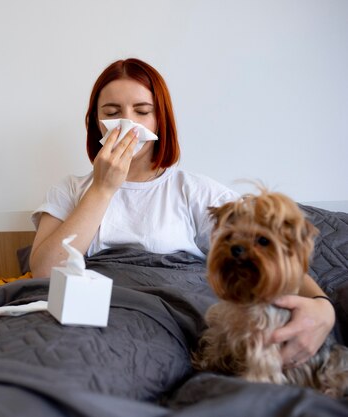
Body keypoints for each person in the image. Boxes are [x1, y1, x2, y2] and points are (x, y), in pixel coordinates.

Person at [29, 58, 335, 369]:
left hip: (165, 320)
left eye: (142, 111)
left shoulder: (194, 190)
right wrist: (102, 189)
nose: (126, 123)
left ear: (160, 120)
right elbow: (43, 273)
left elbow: (269, 254)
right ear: (95, 121)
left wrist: (323, 306)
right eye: (111, 113)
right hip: (86, 313)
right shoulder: (69, 190)